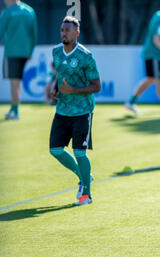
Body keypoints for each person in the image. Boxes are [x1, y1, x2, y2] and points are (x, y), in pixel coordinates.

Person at [49, 17, 101, 206]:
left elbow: (97, 86)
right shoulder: (55, 51)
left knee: (80, 153)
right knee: (55, 150)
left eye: (68, 30)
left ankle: (86, 194)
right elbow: (60, 75)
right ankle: (84, 175)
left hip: (82, 110)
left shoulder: (86, 56)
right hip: (62, 109)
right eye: (62, 30)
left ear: (77, 33)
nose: (64, 33)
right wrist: (55, 89)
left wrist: (74, 90)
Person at [0, 0, 37, 120]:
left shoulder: (7, 12)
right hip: (25, 52)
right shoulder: (30, 11)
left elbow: (0, 32)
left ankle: (15, 111)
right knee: (17, 81)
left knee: (14, 82)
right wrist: (30, 51)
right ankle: (13, 108)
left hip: (11, 52)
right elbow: (34, 34)